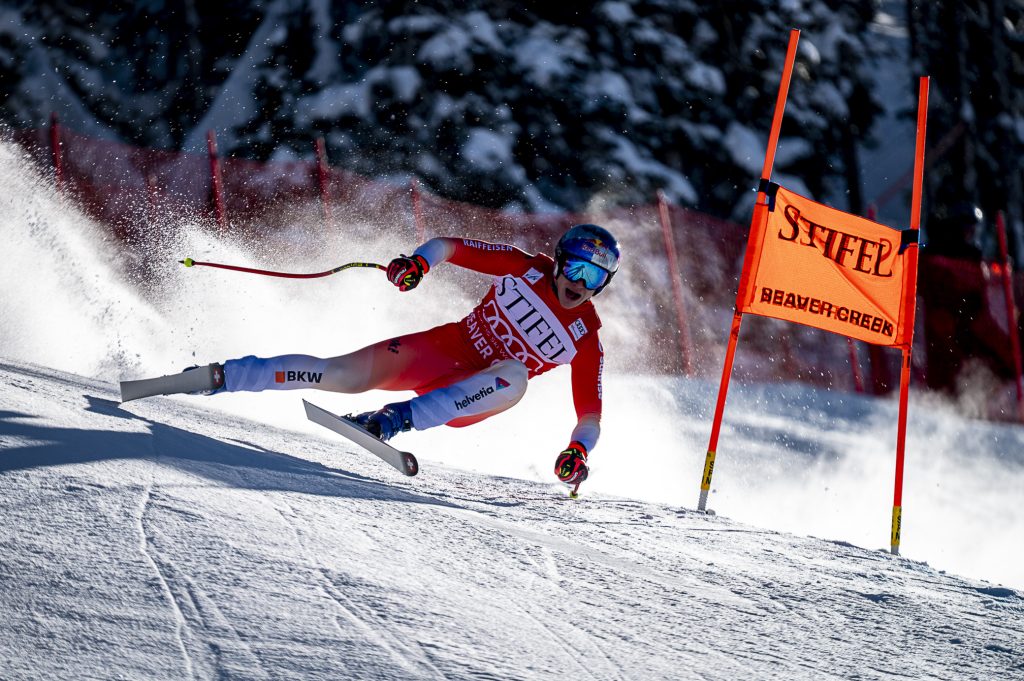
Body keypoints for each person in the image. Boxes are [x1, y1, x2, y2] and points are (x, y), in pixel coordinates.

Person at [188, 224, 620, 491]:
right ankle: (226, 375)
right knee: (338, 373)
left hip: (467, 396)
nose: (582, 283)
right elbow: (448, 246)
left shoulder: (585, 337)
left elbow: (590, 416)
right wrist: (418, 263)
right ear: (561, 262)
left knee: (514, 376)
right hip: (438, 352)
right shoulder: (524, 267)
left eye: (596, 276)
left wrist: (577, 452)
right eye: (579, 268)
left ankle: (392, 419)